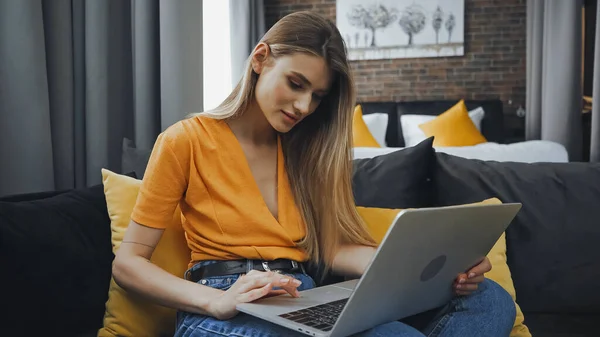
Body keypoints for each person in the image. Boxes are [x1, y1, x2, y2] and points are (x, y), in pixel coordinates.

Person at [113, 11, 516, 337]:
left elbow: (330, 248)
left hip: (304, 299)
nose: (304, 106)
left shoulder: (309, 152)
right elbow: (128, 264)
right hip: (224, 304)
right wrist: (213, 301)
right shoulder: (186, 139)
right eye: (296, 83)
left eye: (318, 96)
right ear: (260, 58)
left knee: (490, 300)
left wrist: (433, 268)